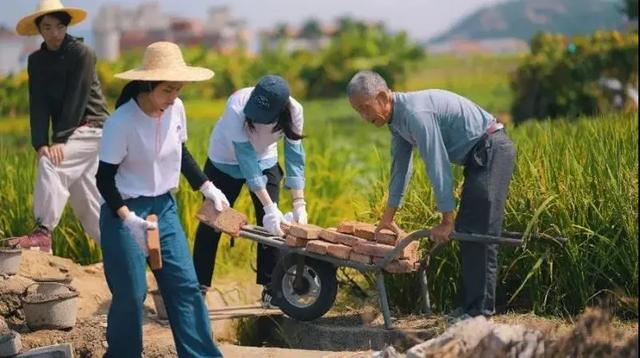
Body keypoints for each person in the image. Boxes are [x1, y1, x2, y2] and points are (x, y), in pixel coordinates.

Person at [347, 70, 516, 321]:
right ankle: (471, 308)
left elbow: (437, 165)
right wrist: (387, 218)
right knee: (469, 232)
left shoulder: (416, 114)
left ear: (382, 96)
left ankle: (480, 313)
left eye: (365, 108)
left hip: (492, 150)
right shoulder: (397, 121)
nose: (364, 117)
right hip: (478, 158)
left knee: (480, 234)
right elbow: (400, 169)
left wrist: (446, 221)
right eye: (358, 111)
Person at [95, 41, 226, 357]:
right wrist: (128, 218)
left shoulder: (175, 109)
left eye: (178, 90)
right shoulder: (121, 123)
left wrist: (207, 187)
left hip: (164, 209)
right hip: (123, 213)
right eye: (167, 90)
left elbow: (181, 154)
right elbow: (103, 179)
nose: (174, 97)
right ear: (147, 84)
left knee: (185, 287)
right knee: (131, 293)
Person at [193, 75, 307, 307]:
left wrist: (299, 203)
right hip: (225, 161)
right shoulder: (236, 106)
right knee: (213, 221)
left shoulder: (295, 110)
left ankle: (271, 288)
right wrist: (270, 206)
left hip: (266, 160)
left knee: (271, 227)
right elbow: (246, 160)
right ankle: (198, 287)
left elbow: (295, 157)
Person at [10, 0, 109, 252]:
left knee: (51, 164)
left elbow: (77, 96)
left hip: (92, 127)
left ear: (67, 27)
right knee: (88, 207)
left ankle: (43, 232)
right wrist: (41, 142)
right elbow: (39, 103)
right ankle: (128, 254)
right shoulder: (37, 61)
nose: (54, 33)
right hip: (69, 135)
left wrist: (60, 140)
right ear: (40, 30)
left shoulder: (81, 53)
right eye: (48, 27)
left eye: (60, 27)